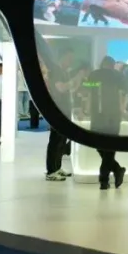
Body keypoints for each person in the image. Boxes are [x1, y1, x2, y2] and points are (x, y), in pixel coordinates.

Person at [87, 56, 127, 190]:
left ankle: (106, 178)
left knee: (99, 145)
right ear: (112, 65)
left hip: (97, 115)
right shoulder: (118, 76)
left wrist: (86, 109)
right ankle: (114, 172)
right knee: (110, 148)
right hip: (113, 116)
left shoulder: (94, 75)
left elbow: (89, 92)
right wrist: (122, 109)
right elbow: (123, 93)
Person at [45, 50, 78, 182]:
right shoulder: (56, 70)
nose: (71, 62)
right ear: (63, 57)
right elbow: (60, 88)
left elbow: (67, 89)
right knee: (55, 140)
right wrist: (74, 80)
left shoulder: (64, 72)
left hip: (64, 110)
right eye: (69, 59)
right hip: (57, 110)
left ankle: (57, 167)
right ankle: (51, 171)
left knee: (61, 141)